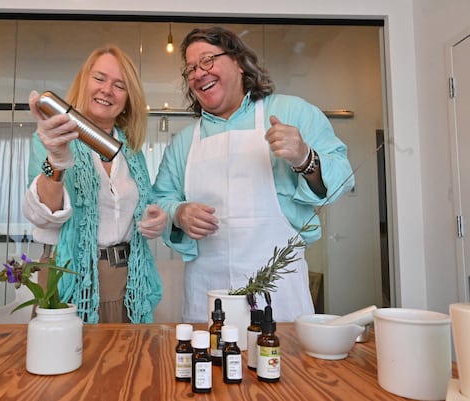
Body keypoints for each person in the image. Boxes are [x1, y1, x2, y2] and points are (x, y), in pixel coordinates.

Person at [153, 27, 354, 323]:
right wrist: (179, 212)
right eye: (191, 68)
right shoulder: (184, 141)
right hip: (207, 293)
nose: (198, 73)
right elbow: (160, 200)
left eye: (207, 60)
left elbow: (343, 179)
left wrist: (305, 157)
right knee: (211, 367)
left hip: (279, 293)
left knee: (281, 367)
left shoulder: (292, 111)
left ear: (238, 62)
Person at [22, 46, 168, 324]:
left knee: (128, 364)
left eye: (119, 85)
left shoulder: (132, 152)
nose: (107, 90)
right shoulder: (51, 138)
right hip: (68, 276)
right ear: (84, 82)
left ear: (128, 99)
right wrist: (56, 160)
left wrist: (156, 218)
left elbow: (147, 206)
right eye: (99, 78)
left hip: (129, 282)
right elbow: (43, 216)